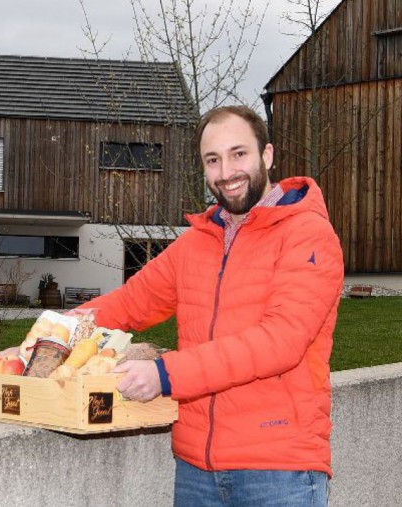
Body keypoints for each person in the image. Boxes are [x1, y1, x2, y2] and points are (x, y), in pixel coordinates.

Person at [80, 105, 344, 506]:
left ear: (267, 155)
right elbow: (127, 303)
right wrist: (48, 334)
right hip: (196, 472)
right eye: (213, 160)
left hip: (279, 472)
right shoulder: (195, 243)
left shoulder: (308, 235)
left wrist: (166, 375)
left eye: (239, 154)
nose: (227, 172)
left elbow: (280, 341)